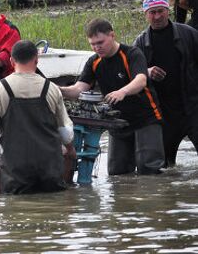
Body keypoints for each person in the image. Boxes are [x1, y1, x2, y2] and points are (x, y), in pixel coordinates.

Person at [60, 18, 165, 175]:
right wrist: (58, 90)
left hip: (146, 119)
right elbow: (79, 89)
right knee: (117, 173)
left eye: (100, 42)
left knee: (149, 170)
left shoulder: (132, 53)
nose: (97, 47)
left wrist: (122, 91)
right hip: (117, 122)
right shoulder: (94, 62)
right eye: (93, 44)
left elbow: (141, 80)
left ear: (112, 35)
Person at [0, 40, 76, 194]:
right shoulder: (51, 88)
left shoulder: (0, 88)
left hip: (16, 172)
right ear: (36, 60)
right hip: (50, 169)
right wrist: (70, 150)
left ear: (11, 61)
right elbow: (65, 131)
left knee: (17, 213)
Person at [133, 0, 198, 167]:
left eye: (160, 11)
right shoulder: (140, 43)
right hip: (165, 113)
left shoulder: (188, 33)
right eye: (152, 12)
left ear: (167, 10)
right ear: (146, 14)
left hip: (193, 107)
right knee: (166, 168)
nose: (157, 16)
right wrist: (147, 71)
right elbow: (132, 74)